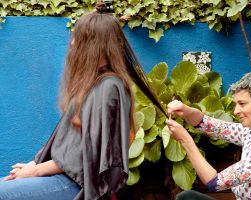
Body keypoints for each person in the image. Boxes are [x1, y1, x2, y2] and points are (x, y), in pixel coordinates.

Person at [0, 1, 158, 200]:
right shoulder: (95, 84)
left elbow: (90, 154)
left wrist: (36, 171)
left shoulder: (109, 87)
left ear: (93, 45)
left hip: (79, 185)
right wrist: (35, 165)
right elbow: (68, 143)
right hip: (63, 177)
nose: (72, 43)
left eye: (77, 37)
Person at [165, 71, 251, 200]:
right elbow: (205, 123)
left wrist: (184, 139)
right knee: (187, 197)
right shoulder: (250, 133)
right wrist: (185, 110)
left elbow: (214, 183)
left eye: (242, 104)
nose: (236, 111)